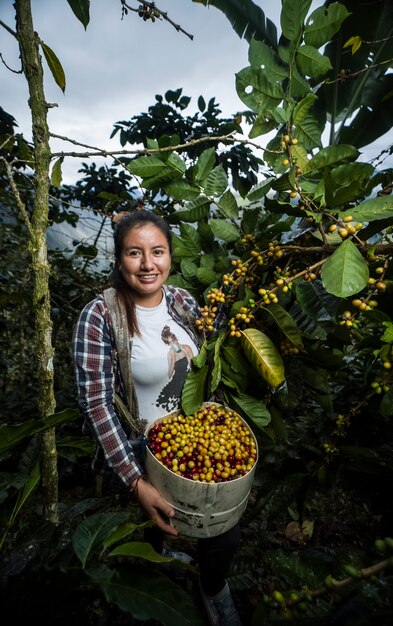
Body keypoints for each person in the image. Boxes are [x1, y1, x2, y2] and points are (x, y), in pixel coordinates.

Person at [72, 209, 242, 626]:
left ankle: (213, 587)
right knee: (158, 536)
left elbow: (207, 358)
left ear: (170, 256)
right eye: (135, 252)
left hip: (193, 434)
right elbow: (97, 405)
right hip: (142, 449)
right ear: (119, 259)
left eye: (158, 252)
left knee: (222, 530)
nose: (148, 264)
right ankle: (171, 579)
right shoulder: (99, 317)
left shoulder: (183, 300)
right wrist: (135, 481)